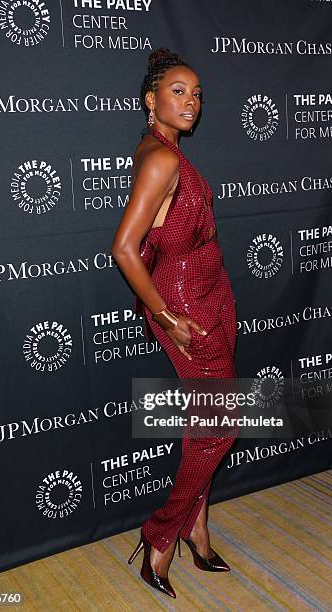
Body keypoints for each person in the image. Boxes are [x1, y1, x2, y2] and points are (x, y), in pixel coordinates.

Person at [111, 47, 239, 599]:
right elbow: (123, 248)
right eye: (179, 91)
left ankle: (199, 529)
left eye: (198, 94)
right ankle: (161, 535)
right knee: (220, 427)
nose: (192, 101)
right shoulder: (161, 159)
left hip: (213, 293)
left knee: (206, 425)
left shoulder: (164, 151)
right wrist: (167, 316)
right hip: (188, 306)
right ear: (151, 99)